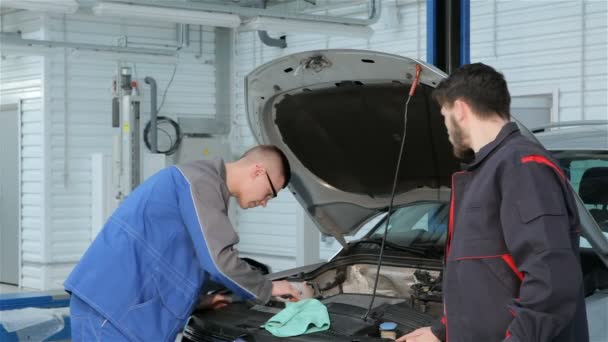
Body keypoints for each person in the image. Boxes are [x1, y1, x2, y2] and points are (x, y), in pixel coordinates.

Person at [398, 63, 588, 342]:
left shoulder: (523, 166)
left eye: (445, 116)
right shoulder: (488, 171)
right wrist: (444, 331)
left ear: (460, 110)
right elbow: (482, 276)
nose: (446, 129)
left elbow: (552, 282)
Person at [65, 145, 302, 341]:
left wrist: (198, 301)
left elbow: (178, 258)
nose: (265, 202)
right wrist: (268, 288)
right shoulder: (198, 182)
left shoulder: (206, 189)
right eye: (270, 193)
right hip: (113, 309)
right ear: (258, 170)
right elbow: (217, 260)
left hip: (126, 312)